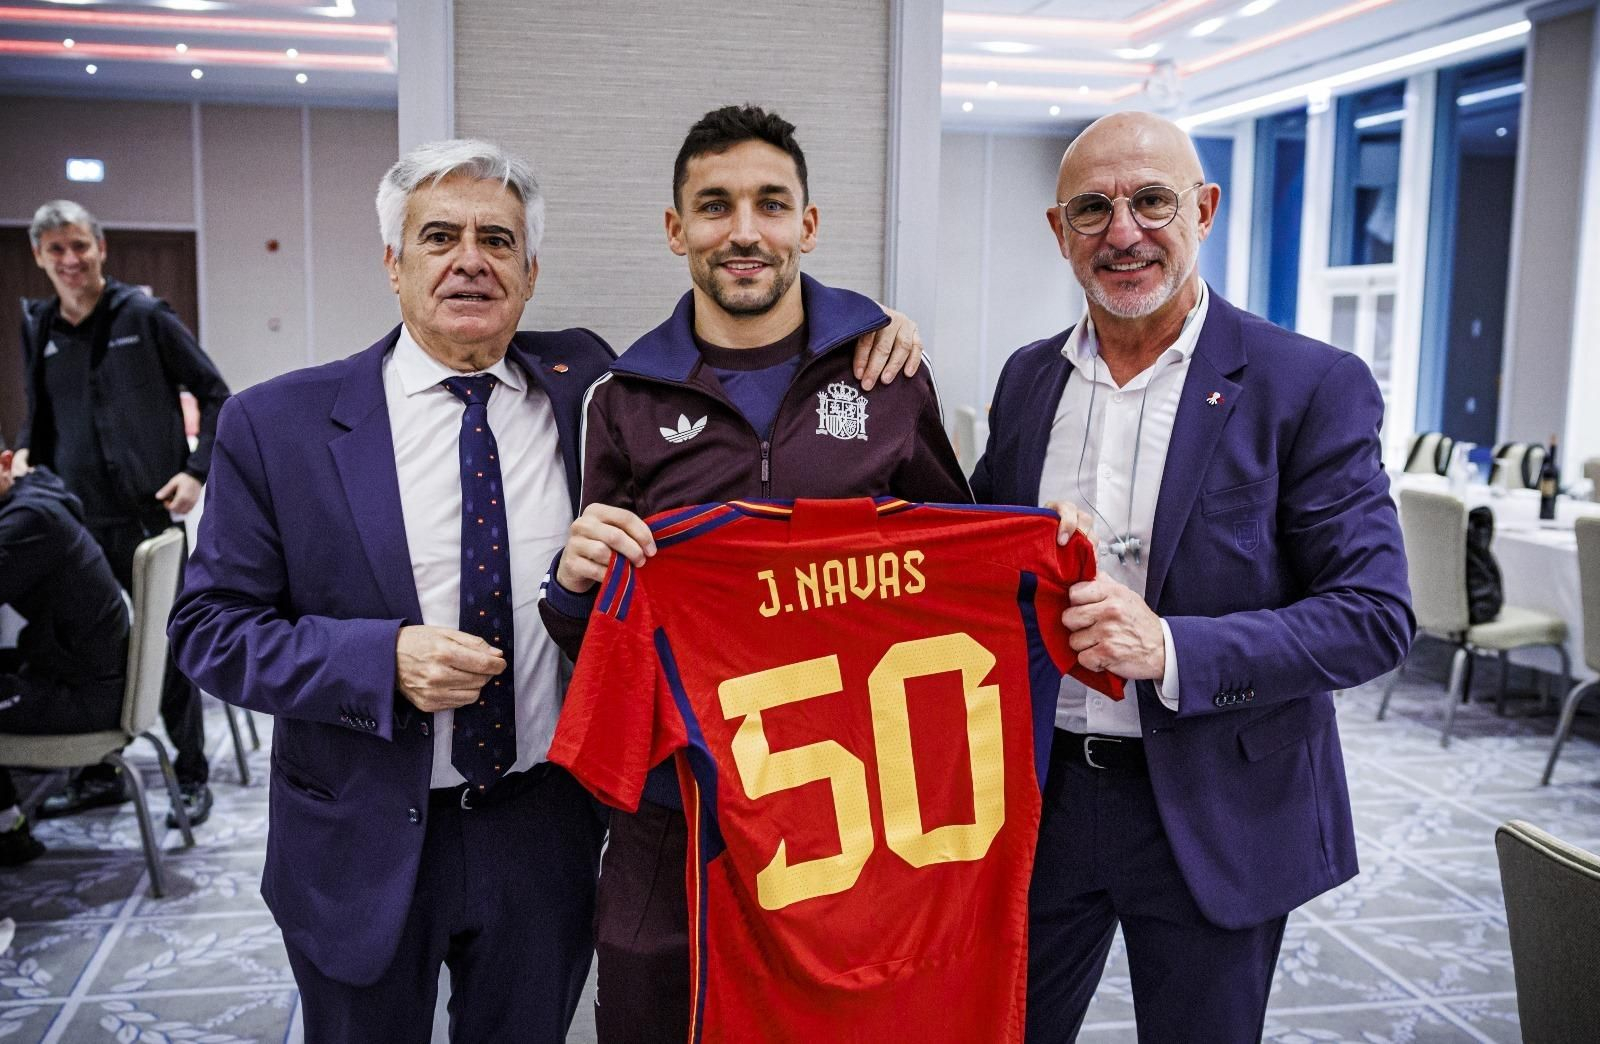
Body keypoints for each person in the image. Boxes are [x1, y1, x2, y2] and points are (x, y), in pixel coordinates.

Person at [167, 137, 921, 1043]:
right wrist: (379, 659)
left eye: (498, 240)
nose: (470, 261)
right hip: (359, 837)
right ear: (393, 264)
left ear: (530, 274)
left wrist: (864, 327)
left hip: (543, 828)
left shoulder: (591, 387)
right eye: (439, 237)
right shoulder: (276, 423)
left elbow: (733, 353)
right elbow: (207, 629)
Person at [968, 111, 1415, 1042]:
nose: (1123, 232)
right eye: (1092, 209)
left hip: (1220, 807)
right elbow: (966, 561)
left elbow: (1373, 616)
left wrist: (1171, 647)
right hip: (1042, 799)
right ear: (1059, 231)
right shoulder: (1027, 382)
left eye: (1152, 201)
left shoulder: (1306, 384)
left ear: (1204, 210)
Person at [540, 104, 970, 1044]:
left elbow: (956, 581)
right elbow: (602, 631)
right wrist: (570, 588)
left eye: (771, 204)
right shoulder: (623, 398)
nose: (744, 231)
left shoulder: (888, 375)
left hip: (850, 812)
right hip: (676, 808)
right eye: (714, 206)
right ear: (676, 229)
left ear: (807, 224)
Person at [16, 200, 230, 828]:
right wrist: (27, 458)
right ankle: (98, 774)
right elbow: (39, 413)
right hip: (72, 525)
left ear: (100, 248)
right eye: (56, 249)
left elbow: (215, 394)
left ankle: (191, 776)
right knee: (84, 648)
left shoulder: (143, 315)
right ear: (39, 257)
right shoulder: (40, 325)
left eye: (79, 245)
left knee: (170, 643)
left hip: (146, 517)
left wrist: (196, 471)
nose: (70, 259)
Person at [0, 434, 130, 866]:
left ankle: (8, 831)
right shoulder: (37, 495)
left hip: (86, 696)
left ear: (6, 463)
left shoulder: (28, 520)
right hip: (86, 673)